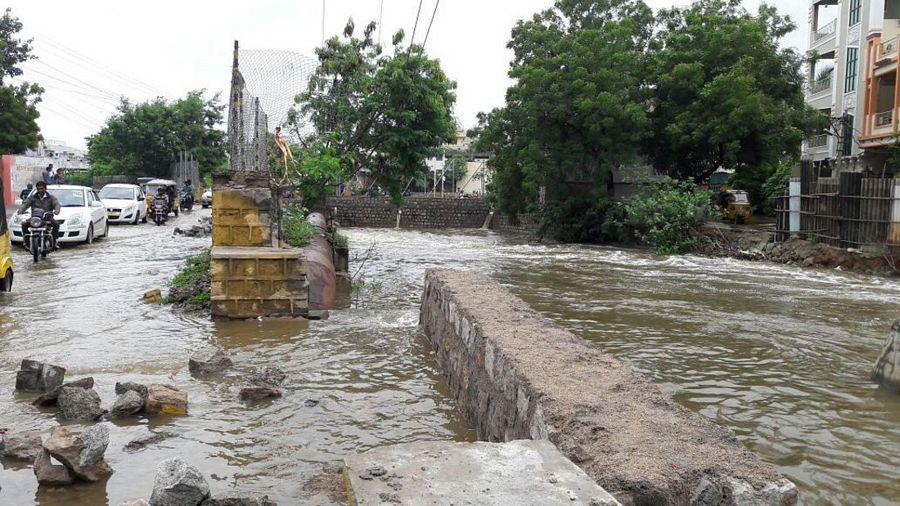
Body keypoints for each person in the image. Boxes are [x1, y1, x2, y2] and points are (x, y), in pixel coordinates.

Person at [18, 181, 61, 250]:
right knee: (24, 224)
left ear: (45, 189)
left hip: (47, 218)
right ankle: (26, 243)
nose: (40, 190)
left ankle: (54, 242)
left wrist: (56, 211)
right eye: (38, 189)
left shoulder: (51, 198)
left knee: (56, 224)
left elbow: (56, 204)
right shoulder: (32, 197)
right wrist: (20, 210)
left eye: (41, 188)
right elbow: (25, 204)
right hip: (35, 219)